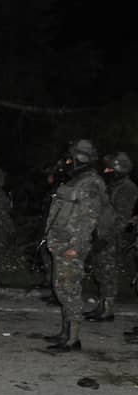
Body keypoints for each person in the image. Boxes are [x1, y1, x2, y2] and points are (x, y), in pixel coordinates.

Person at [43, 139, 105, 352]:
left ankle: (73, 339)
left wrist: (75, 245)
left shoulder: (91, 183)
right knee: (61, 288)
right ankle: (64, 332)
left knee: (70, 289)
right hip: (60, 241)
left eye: (72, 157)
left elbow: (89, 219)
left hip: (71, 244)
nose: (69, 160)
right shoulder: (75, 180)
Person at [84, 153, 136, 322]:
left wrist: (106, 238)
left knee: (108, 272)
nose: (106, 171)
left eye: (110, 168)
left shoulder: (127, 188)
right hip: (102, 232)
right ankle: (102, 306)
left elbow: (121, 217)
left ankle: (108, 309)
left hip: (111, 236)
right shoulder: (114, 185)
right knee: (100, 270)